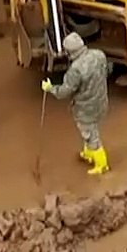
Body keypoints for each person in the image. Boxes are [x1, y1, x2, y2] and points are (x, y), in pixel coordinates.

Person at [42, 32, 113, 175]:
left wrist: (50, 88)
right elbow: (108, 71)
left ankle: (102, 165)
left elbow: (64, 92)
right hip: (101, 102)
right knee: (89, 132)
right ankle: (88, 154)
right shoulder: (99, 55)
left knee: (91, 136)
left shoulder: (75, 70)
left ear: (69, 51)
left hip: (85, 109)